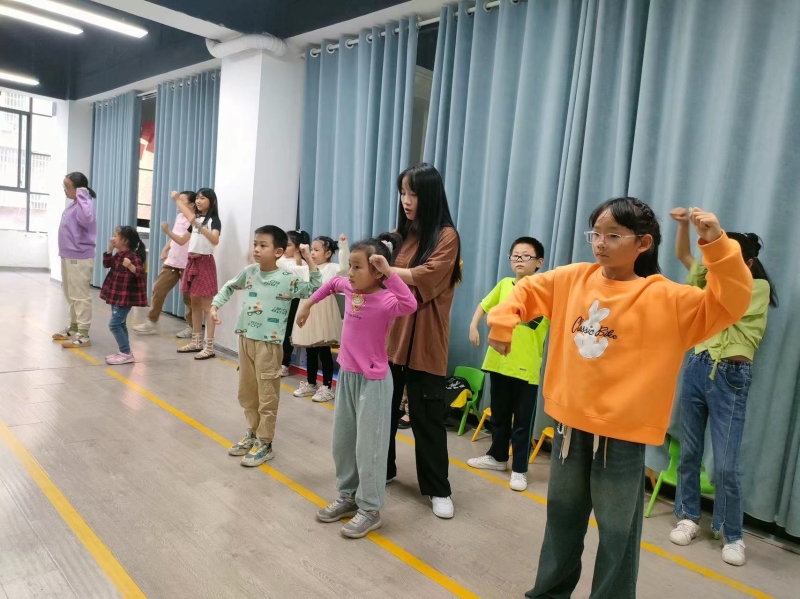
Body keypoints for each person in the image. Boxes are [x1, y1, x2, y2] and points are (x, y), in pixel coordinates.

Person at [487, 198, 752, 599]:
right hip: (569, 429)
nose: (600, 243)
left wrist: (717, 245)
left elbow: (729, 303)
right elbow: (523, 292)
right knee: (561, 522)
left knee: (617, 534)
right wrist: (503, 322)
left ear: (643, 243)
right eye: (595, 233)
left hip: (622, 439)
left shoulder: (665, 298)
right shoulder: (572, 278)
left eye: (613, 235)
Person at [669, 208, 777, 567]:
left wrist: (709, 272)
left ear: (746, 262)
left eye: (728, 254)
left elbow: (726, 304)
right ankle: (688, 517)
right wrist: (683, 227)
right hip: (698, 367)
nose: (719, 260)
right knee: (689, 453)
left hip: (731, 375)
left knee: (727, 465)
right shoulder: (712, 279)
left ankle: (733, 535)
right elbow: (685, 257)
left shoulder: (757, 287)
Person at [301, 234, 416, 538]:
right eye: (350, 266)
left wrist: (389, 273)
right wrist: (308, 304)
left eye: (357, 267)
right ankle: (348, 496)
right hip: (347, 377)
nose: (350, 273)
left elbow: (410, 303)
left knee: (370, 447)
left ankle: (370, 509)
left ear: (376, 271)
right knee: (343, 442)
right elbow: (330, 284)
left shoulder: (387, 299)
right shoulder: (350, 288)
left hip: (374, 382)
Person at [385, 163, 462, 520]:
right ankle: (382, 469)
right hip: (391, 336)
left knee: (427, 417)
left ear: (429, 195)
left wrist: (387, 270)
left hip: (426, 339)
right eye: (403, 192)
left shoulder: (446, 236)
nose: (406, 200)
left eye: (413, 193)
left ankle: (437, 488)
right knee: (383, 412)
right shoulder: (401, 235)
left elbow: (426, 277)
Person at [211, 226, 320, 467]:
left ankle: (265, 443)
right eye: (255, 244)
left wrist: (309, 259)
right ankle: (252, 432)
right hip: (245, 339)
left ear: (278, 252)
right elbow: (229, 286)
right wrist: (215, 305)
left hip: (269, 345)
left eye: (263, 245)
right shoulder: (250, 272)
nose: (257, 249)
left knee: (267, 395)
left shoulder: (287, 279)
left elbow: (314, 288)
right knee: (247, 391)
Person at [467, 236, 550, 492]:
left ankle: (520, 469)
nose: (519, 260)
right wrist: (473, 325)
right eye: (515, 255)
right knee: (500, 415)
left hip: (526, 369)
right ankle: (497, 457)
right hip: (498, 362)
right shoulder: (504, 284)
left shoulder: (545, 291)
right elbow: (484, 305)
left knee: (522, 421)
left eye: (526, 256)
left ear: (539, 262)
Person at [291, 234, 349, 402]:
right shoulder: (306, 269)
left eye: (316, 250)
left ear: (328, 253)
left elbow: (344, 267)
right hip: (308, 312)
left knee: (324, 351)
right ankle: (311, 383)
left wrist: (344, 246)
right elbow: (289, 269)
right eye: (312, 249)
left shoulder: (332, 267)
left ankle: (327, 387)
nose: (313, 253)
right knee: (310, 351)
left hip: (324, 313)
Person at [133, 191, 197, 338]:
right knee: (158, 289)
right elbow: (175, 236)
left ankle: (192, 326)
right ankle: (152, 322)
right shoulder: (179, 217)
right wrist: (165, 249)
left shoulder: (195, 220)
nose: (178, 202)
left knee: (189, 298)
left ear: (191, 205)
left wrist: (166, 230)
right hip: (172, 262)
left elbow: (182, 239)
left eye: (181, 200)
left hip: (187, 264)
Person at [174, 188, 221, 360]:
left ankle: (209, 347)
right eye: (198, 198)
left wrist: (199, 225)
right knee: (194, 303)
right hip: (191, 261)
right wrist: (168, 231)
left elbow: (215, 239)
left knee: (207, 307)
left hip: (205, 262)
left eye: (203, 198)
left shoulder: (214, 221)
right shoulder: (196, 220)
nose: (199, 201)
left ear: (212, 201)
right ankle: (196, 342)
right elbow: (181, 240)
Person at [54, 173, 97, 349]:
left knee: (80, 296)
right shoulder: (74, 204)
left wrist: (82, 194)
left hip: (80, 257)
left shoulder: (84, 204)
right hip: (68, 255)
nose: (65, 190)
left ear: (78, 189)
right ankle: (74, 328)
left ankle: (84, 334)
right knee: (70, 294)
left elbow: (86, 220)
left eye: (67, 187)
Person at [99, 226, 148, 365]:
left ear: (125, 240)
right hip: (116, 294)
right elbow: (106, 264)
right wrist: (110, 249)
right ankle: (124, 352)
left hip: (125, 297)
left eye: (116, 235)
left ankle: (126, 353)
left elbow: (140, 272)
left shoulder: (133, 256)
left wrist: (131, 266)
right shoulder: (118, 255)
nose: (113, 238)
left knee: (114, 324)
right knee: (120, 323)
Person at [278, 229, 311, 377]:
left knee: (287, 332)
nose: (285, 247)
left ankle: (285, 364)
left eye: (289, 245)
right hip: (277, 300)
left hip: (292, 301)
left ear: (297, 248)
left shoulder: (302, 263)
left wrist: (298, 258)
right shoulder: (279, 259)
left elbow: (300, 278)